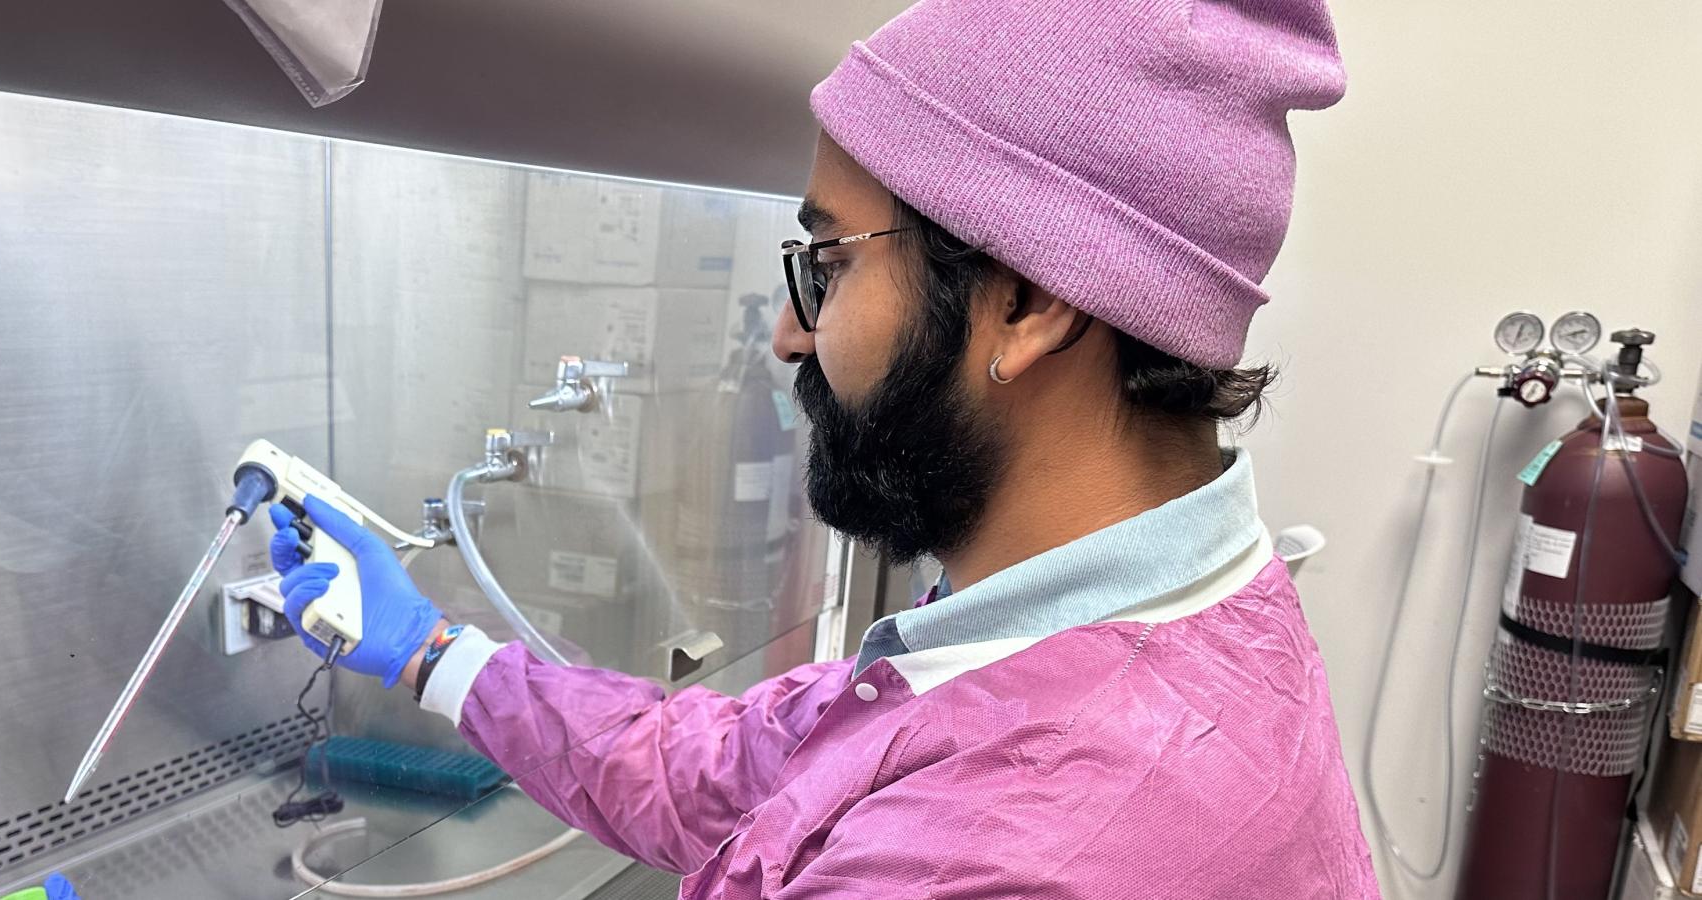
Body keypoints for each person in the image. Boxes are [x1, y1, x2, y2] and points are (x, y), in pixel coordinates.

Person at [268, 0, 1380, 895]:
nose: (790, 334)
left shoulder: (1007, 855)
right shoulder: (1153, 625)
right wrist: (428, 651)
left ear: (1028, 302)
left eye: (830, 263)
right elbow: (739, 774)